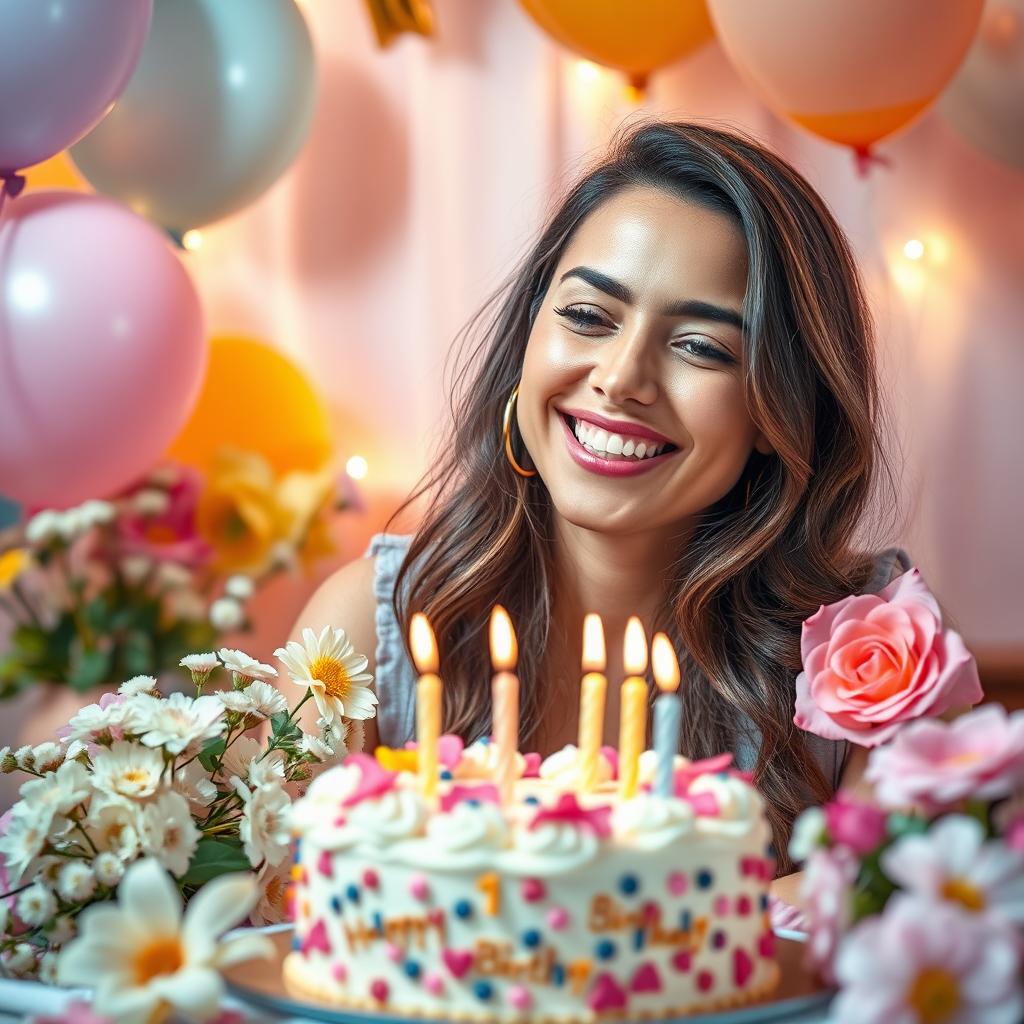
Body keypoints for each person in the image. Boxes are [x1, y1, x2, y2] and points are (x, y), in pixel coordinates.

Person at [289, 118, 907, 894]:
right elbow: (291, 924)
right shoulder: (363, 633)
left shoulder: (874, 659)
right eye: (588, 316)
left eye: (702, 347)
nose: (621, 378)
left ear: (776, 412)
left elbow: (916, 937)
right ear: (528, 337)